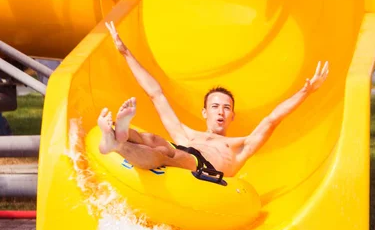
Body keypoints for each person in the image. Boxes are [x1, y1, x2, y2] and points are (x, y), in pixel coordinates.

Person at [98, 21, 329, 178]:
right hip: (183, 146)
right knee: (152, 138)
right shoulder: (186, 134)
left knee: (171, 154)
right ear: (204, 112)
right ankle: (117, 135)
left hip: (201, 167)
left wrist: (306, 92)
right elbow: (156, 94)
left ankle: (117, 143)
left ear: (232, 116)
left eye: (226, 108)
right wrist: (125, 51)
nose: (221, 112)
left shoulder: (240, 146)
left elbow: (272, 120)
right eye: (215, 106)